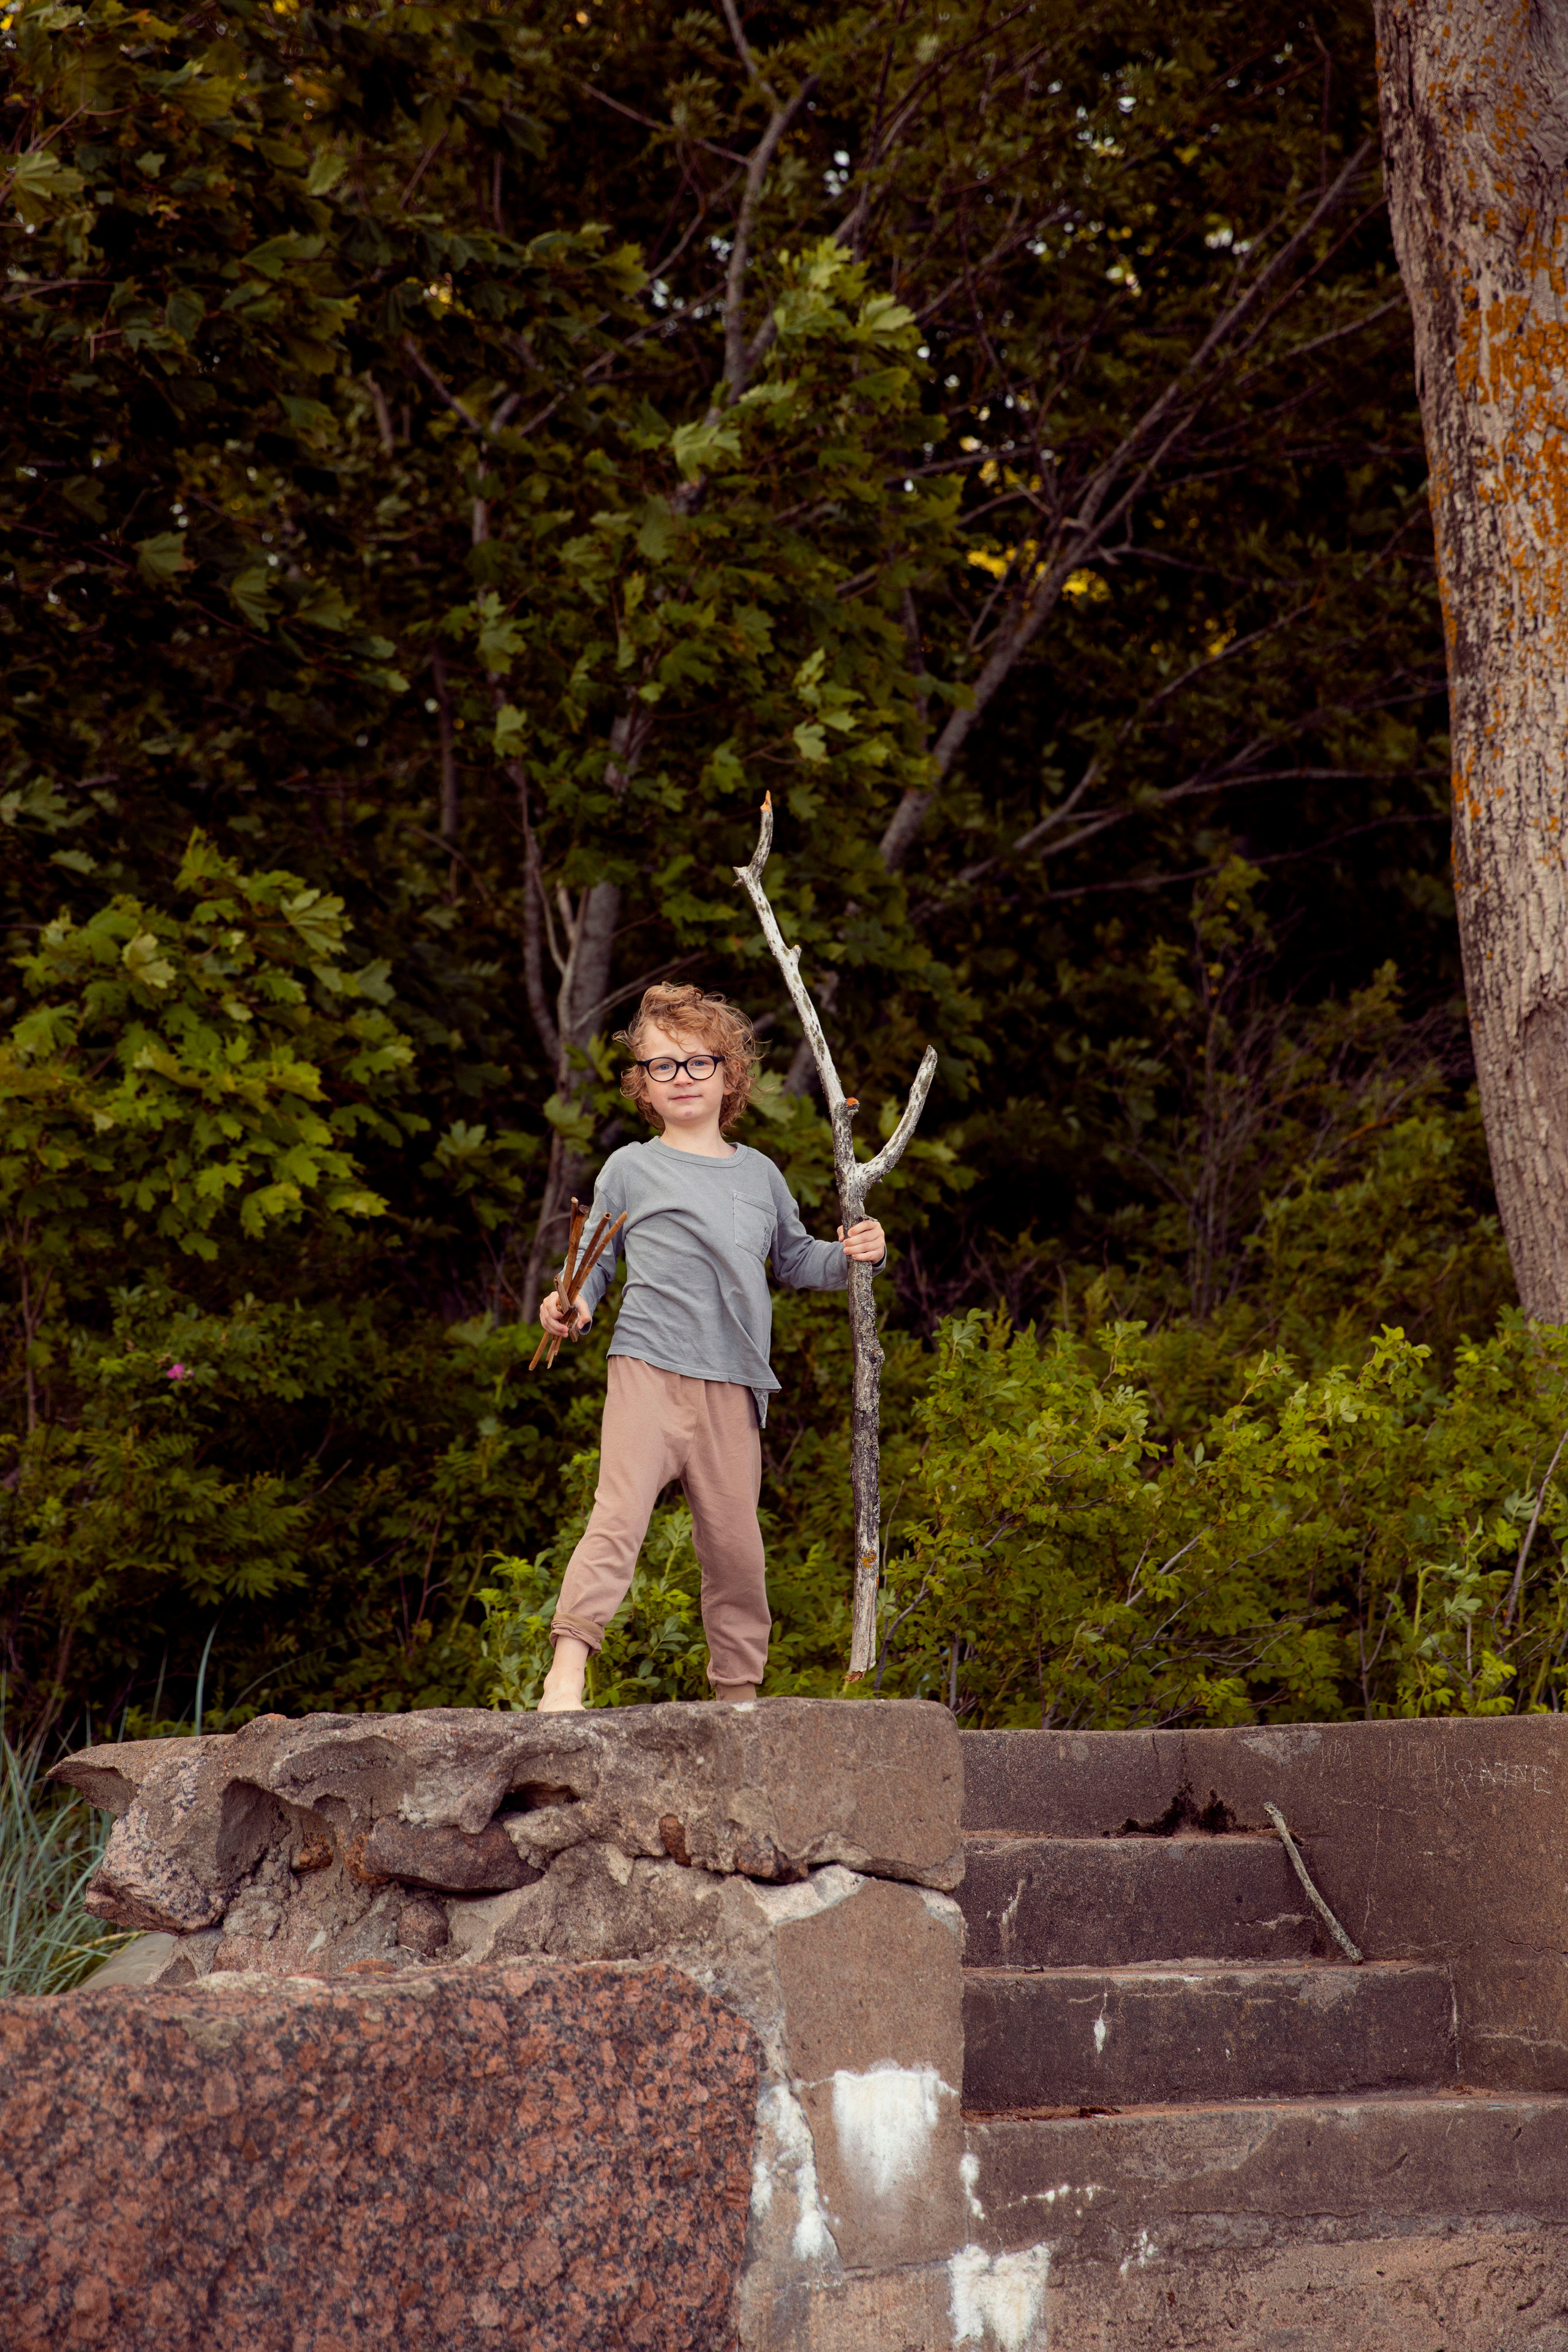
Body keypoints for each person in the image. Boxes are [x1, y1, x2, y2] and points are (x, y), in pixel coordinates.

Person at [535, 982, 886, 1712]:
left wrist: (859, 1252)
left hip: (733, 1385)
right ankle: (565, 1675)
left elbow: (797, 1261)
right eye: (663, 1067)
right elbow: (593, 1266)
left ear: (729, 1076)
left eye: (699, 1063)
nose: (682, 1078)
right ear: (643, 1087)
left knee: (735, 1553)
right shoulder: (630, 1167)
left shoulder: (759, 1175)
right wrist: (569, 1307)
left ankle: (738, 1699)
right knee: (617, 1518)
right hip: (648, 1367)